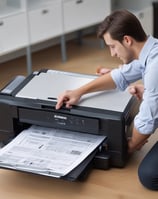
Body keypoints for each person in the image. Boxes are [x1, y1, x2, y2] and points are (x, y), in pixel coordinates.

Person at [55, 9, 158, 190]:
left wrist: (129, 145)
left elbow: (147, 122)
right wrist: (79, 92)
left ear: (127, 40)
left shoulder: (155, 65)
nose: (112, 54)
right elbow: (119, 77)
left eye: (112, 46)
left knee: (149, 176)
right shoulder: (149, 52)